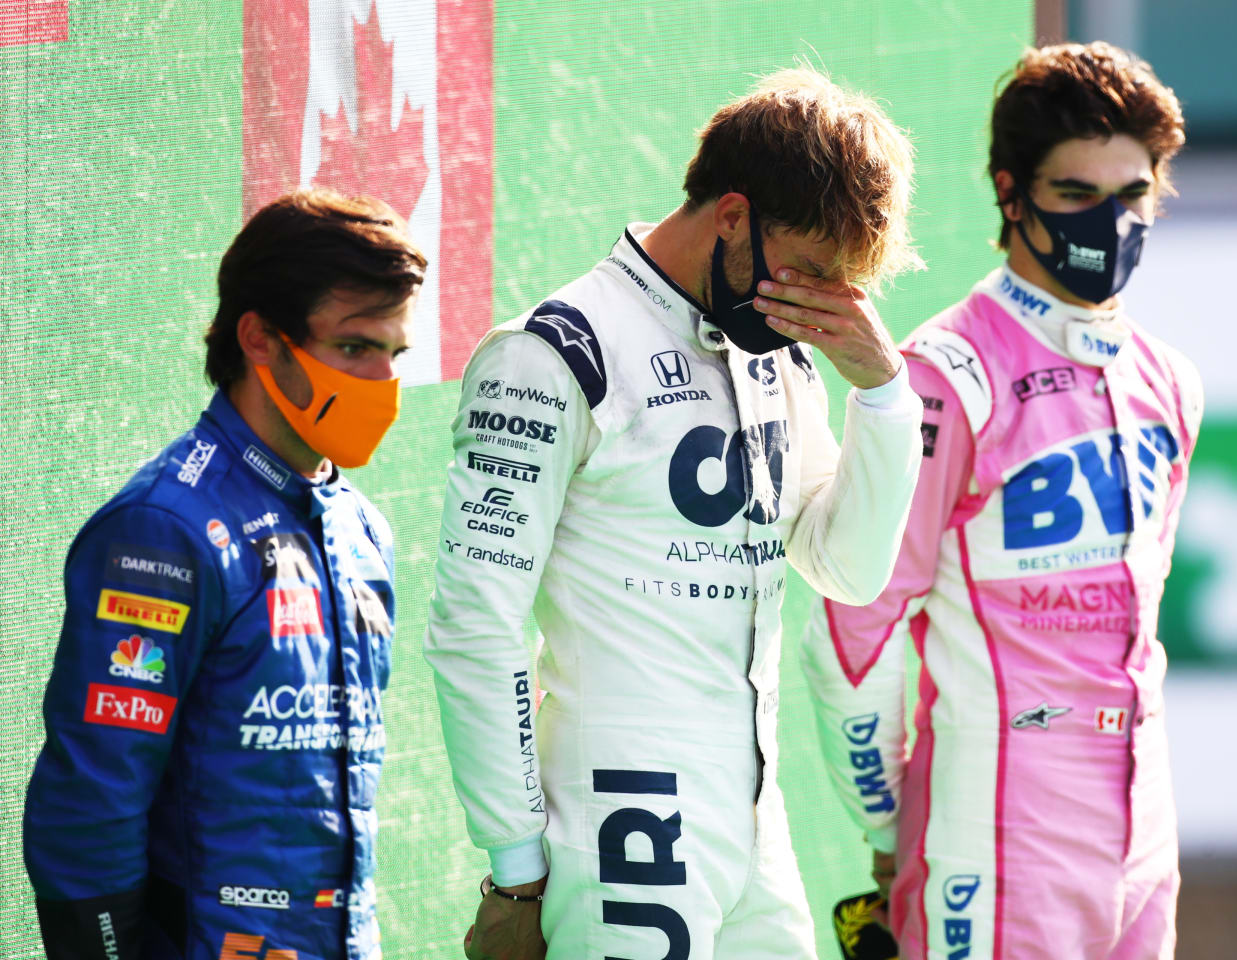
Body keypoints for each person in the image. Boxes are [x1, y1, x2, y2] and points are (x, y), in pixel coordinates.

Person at [425, 68, 925, 960]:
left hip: (754, 815)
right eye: (810, 269)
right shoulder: (554, 352)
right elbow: (477, 622)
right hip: (627, 813)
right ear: (732, 215)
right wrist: (514, 866)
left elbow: (846, 569)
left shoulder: (781, 355)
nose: (821, 301)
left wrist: (884, 393)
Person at [801, 42, 1203, 960]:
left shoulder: (1171, 383)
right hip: (995, 829)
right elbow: (850, 636)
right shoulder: (948, 375)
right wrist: (890, 829)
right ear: (1010, 190)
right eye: (1076, 195)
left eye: (1132, 194)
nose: (1110, 223)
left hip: (1144, 833)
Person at [23, 188, 426, 960]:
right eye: (354, 348)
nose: (382, 380)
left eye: (394, 353)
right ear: (260, 339)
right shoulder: (163, 531)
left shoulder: (362, 528)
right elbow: (89, 804)